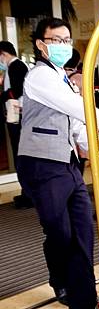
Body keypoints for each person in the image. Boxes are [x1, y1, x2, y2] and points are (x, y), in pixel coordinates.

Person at [16, 17, 99, 309]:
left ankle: (82, 305)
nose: (62, 45)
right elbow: (77, 107)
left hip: (68, 165)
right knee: (60, 235)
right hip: (41, 165)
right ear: (41, 45)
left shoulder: (61, 77)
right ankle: (61, 281)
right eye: (55, 40)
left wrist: (98, 154)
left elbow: (76, 125)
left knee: (82, 231)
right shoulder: (39, 77)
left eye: (66, 39)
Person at [0, 40, 32, 208]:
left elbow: (16, 90)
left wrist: (3, 95)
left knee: (21, 155)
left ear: (3, 54)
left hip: (19, 117)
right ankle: (26, 192)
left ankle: (28, 193)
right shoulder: (14, 67)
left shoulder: (16, 66)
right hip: (16, 116)